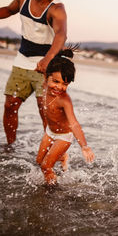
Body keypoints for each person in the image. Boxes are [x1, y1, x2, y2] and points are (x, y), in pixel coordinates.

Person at [1, 0, 68, 145]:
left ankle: (51, 155)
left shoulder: (57, 8)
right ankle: (10, 147)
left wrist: (47, 59)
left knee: (46, 112)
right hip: (22, 61)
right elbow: (9, 10)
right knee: (10, 106)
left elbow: (61, 35)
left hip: (46, 65)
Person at [36, 49, 94, 185]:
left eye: (65, 84)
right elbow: (43, 67)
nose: (59, 87)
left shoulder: (64, 100)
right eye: (56, 82)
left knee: (46, 166)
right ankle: (62, 157)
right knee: (39, 161)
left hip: (63, 137)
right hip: (50, 132)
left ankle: (52, 190)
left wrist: (84, 146)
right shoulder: (45, 84)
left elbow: (73, 123)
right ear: (47, 77)